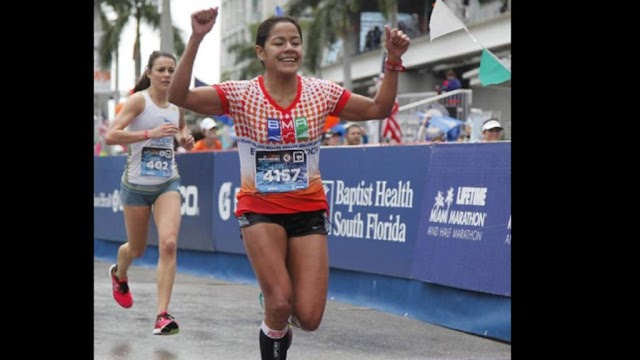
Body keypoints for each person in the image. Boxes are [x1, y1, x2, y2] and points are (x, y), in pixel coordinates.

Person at [168, 7, 410, 359]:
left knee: (309, 318)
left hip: (308, 209)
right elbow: (180, 97)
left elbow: (378, 109)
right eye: (279, 42)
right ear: (260, 52)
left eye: (295, 42)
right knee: (280, 303)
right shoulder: (240, 94)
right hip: (259, 209)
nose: (289, 48)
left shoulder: (321, 93)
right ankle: (274, 310)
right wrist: (197, 38)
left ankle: (276, 310)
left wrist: (393, 61)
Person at [104, 50, 194, 336]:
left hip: (168, 182)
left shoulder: (177, 104)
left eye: (171, 70)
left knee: (169, 244)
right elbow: (111, 135)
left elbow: (180, 128)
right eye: (162, 70)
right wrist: (148, 134)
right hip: (136, 186)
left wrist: (185, 138)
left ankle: (162, 315)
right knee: (137, 249)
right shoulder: (138, 101)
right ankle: (119, 273)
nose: (167, 75)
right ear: (150, 73)